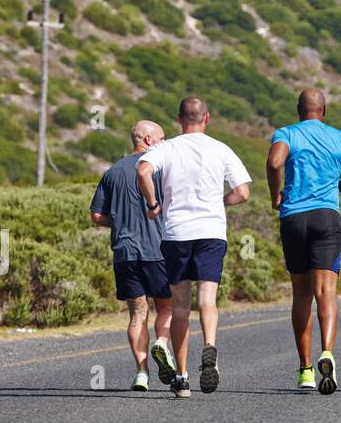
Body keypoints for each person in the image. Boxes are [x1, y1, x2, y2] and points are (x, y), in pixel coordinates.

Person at [137, 96, 251, 395]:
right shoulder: (221, 149)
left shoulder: (167, 148)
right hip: (211, 231)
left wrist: (153, 203)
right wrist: (219, 202)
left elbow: (143, 171)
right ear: (207, 118)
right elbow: (242, 192)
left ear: (178, 119)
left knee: (180, 307)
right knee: (208, 300)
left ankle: (183, 377)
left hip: (176, 234)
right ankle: (210, 348)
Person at [265, 89, 341, 394]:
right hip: (326, 216)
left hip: (294, 218)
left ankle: (306, 370)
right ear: (324, 110)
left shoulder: (286, 133)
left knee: (301, 296)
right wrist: (334, 185)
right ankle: (328, 352)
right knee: (327, 292)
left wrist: (276, 196)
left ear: (299, 110)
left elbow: (274, 163)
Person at [89, 120, 170, 392]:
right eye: (161, 138)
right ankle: (162, 344)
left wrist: (122, 222)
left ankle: (141, 372)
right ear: (147, 139)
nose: (164, 143)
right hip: (159, 250)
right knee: (167, 306)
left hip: (125, 251)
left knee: (138, 313)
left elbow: (96, 215)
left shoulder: (113, 171)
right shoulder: (159, 169)